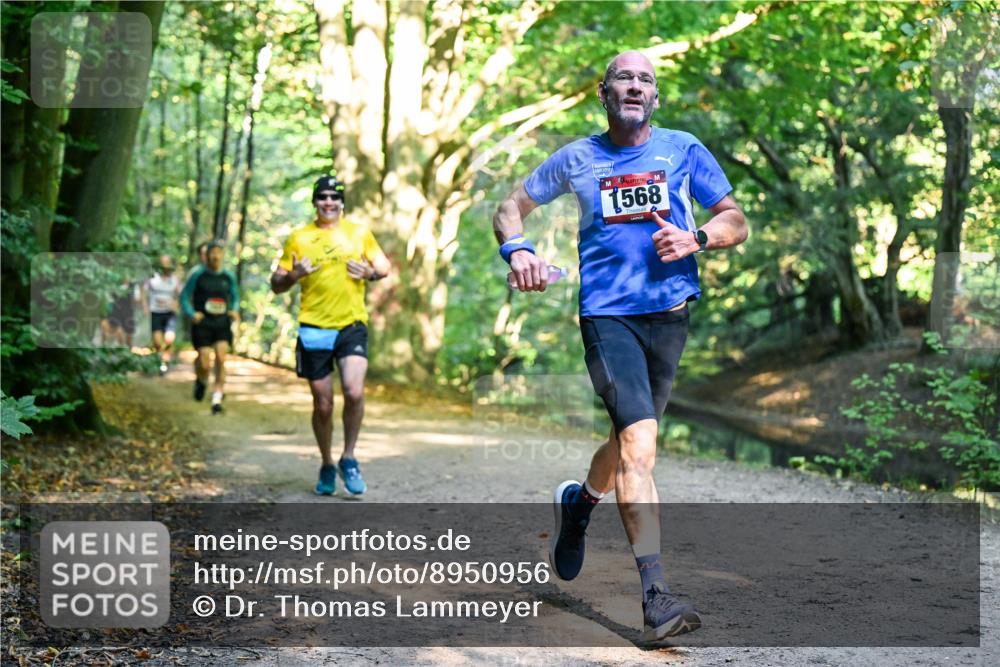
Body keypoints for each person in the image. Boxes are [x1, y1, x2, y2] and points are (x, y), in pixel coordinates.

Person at [491, 51, 747, 641]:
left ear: (654, 98)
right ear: (604, 94)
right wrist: (520, 251)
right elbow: (510, 209)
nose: (635, 85)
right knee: (639, 444)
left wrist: (699, 237)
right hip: (608, 317)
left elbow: (735, 218)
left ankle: (580, 504)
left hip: (672, 315)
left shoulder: (683, 149)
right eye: (624, 78)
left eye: (646, 80)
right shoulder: (578, 157)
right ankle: (656, 595)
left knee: (629, 438)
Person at [270, 175, 391, 496]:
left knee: (353, 391)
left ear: (341, 202)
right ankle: (326, 462)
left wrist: (370, 273)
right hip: (314, 327)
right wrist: (295, 274)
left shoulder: (358, 233)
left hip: (351, 325)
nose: (328, 202)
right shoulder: (299, 237)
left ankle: (349, 457)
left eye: (334, 197)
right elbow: (276, 283)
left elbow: (384, 267)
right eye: (322, 197)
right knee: (323, 404)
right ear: (314, 201)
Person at [181, 241, 239, 415]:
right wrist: (192, 313)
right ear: (206, 256)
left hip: (221, 323)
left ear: (222, 255)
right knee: (205, 362)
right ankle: (201, 379)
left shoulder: (228, 276)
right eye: (211, 253)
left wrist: (234, 310)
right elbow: (184, 296)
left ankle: (217, 399)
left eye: (218, 253)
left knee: (221, 358)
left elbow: (235, 296)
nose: (215, 256)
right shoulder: (197, 275)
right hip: (203, 324)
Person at [144, 254, 181, 375]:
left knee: (169, 339)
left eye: (167, 262)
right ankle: (159, 360)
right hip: (155, 312)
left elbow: (181, 294)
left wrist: (177, 304)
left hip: (170, 313)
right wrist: (145, 307)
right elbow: (142, 292)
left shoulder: (175, 280)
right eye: (163, 262)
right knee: (158, 343)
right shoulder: (153, 278)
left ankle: (165, 363)